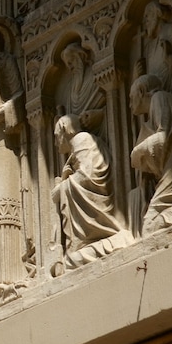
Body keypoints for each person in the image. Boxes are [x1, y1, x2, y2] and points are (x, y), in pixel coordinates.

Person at [51, 114, 127, 267]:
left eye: (56, 136)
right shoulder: (81, 143)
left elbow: (88, 176)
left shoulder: (81, 139)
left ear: (65, 129)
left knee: (71, 262)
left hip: (100, 202)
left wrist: (61, 188)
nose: (55, 142)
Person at [129, 74, 172, 234]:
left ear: (141, 91)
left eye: (131, 97)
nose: (129, 103)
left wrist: (138, 151)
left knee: (148, 227)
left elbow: (166, 137)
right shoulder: (167, 101)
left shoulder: (158, 98)